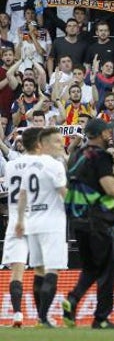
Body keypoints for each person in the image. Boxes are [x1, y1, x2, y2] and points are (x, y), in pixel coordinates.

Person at [62, 119, 114, 329]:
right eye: (107, 131)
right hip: (98, 221)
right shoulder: (101, 155)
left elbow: (88, 179)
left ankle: (72, 300)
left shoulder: (77, 155)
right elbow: (111, 189)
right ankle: (101, 318)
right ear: (100, 134)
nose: (110, 134)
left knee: (91, 268)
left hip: (77, 221)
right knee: (110, 268)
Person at [16, 127, 67, 327]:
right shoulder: (55, 165)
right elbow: (63, 193)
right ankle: (44, 318)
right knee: (52, 270)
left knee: (39, 271)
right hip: (52, 222)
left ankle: (40, 317)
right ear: (43, 144)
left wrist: (20, 221)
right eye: (56, 141)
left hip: (33, 222)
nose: (61, 144)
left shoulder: (29, 167)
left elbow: (22, 195)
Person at [2, 127, 41, 328]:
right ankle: (42, 318)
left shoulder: (11, 165)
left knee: (17, 271)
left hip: (15, 221)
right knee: (41, 270)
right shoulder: (42, 165)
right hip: (36, 220)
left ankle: (17, 314)